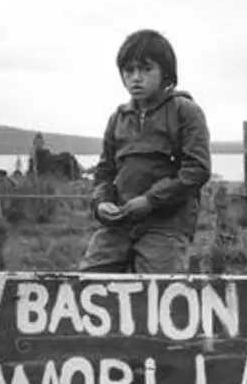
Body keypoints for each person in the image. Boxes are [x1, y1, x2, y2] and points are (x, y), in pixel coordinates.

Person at [79, 29, 211, 274]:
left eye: (146, 69)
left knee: (159, 296)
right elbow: (105, 172)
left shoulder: (185, 112)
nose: (136, 78)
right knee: (88, 284)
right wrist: (102, 203)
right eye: (129, 70)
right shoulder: (118, 118)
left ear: (166, 73)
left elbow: (197, 170)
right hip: (119, 222)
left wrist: (151, 200)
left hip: (167, 226)